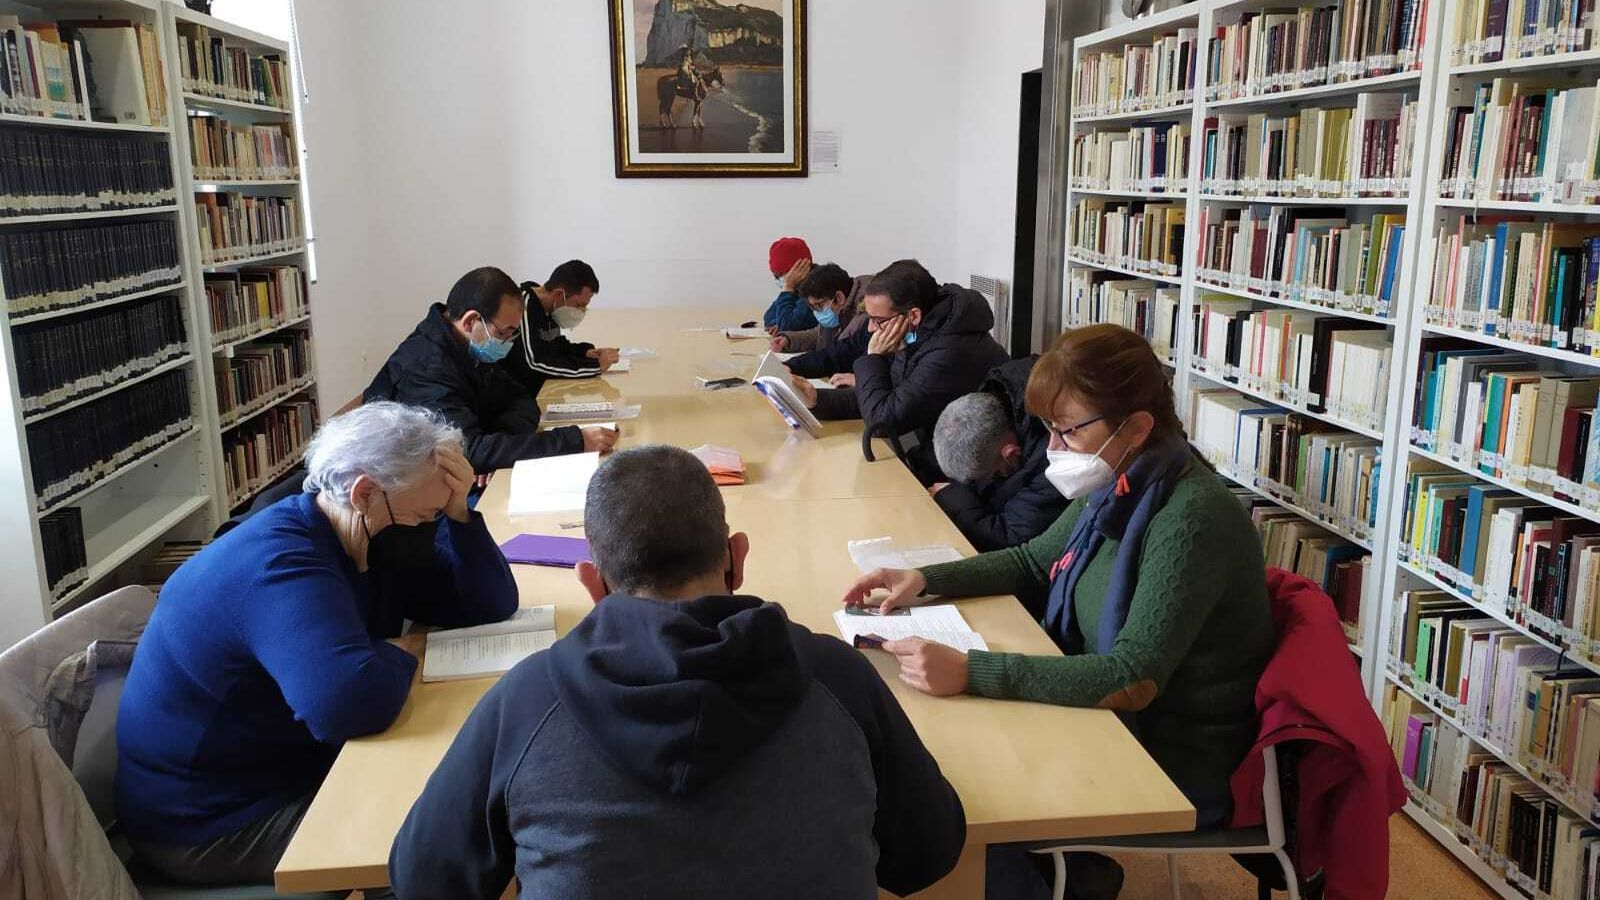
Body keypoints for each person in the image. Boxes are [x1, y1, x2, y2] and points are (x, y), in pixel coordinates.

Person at [389, 445, 967, 900]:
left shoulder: (528, 699)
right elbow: (927, 856)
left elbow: (426, 883)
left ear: (592, 583)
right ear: (736, 558)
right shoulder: (835, 676)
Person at [840, 324, 1274, 898]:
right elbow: (1032, 560)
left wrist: (973, 670)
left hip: (1167, 752)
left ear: (1137, 427)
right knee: (937, 764)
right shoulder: (1122, 481)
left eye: (1068, 431)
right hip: (1106, 719)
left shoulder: (1190, 517)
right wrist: (923, 579)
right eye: (1048, 429)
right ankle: (1061, 875)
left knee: (961, 793)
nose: (1053, 449)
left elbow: (1132, 678)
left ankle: (1058, 878)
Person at [115, 402, 520, 887]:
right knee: (445, 832)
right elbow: (350, 705)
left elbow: (490, 606)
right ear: (365, 492)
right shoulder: (280, 565)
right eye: (424, 516)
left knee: (460, 786)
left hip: (281, 764)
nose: (427, 529)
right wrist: (400, 653)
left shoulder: (367, 530)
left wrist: (459, 517)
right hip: (208, 819)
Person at [364, 266, 617, 474]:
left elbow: (521, 400)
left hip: (452, 469)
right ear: (471, 321)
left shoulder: (468, 347)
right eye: (505, 332)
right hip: (404, 490)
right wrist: (575, 441)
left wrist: (495, 449)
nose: (509, 341)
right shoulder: (428, 368)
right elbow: (468, 452)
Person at [788, 259, 1010, 479]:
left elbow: (883, 421)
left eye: (877, 320)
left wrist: (873, 357)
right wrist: (817, 399)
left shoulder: (948, 351)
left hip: (980, 471)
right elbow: (886, 398)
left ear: (913, 315)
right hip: (940, 451)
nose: (871, 328)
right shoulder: (919, 331)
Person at [930, 356, 1068, 552]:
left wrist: (949, 497)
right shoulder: (995, 397)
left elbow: (1008, 536)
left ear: (1010, 454)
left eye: (993, 473)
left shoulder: (1057, 457)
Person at [498, 260, 621, 393]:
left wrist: (584, 353)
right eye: (579, 305)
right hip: (520, 394)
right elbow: (533, 363)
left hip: (545, 389)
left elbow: (554, 347)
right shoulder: (523, 306)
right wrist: (595, 366)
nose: (581, 311)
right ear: (558, 295)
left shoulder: (551, 308)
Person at [768, 261, 869, 356]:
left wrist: (795, 364)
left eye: (819, 305)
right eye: (813, 307)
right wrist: (788, 340)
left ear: (839, 298)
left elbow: (837, 353)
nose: (816, 312)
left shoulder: (864, 312)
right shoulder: (838, 307)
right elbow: (820, 334)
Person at [761, 236, 817, 332]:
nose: (779, 279)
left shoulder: (816, 286)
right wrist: (781, 322)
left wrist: (787, 287)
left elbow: (788, 327)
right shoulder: (798, 287)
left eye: (779, 275)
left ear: (798, 269)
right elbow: (768, 317)